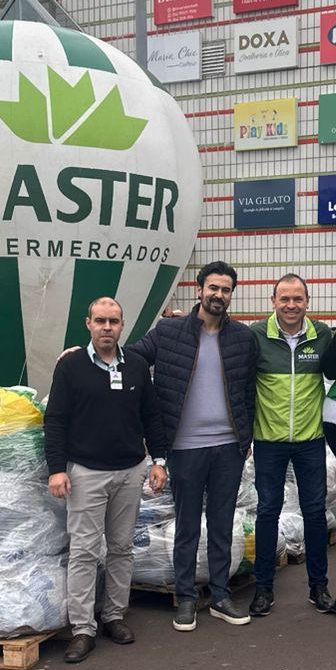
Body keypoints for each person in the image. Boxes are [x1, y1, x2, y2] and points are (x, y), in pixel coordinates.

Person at [130, 261, 258, 632]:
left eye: (226, 289)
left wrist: (245, 436)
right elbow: (132, 358)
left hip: (228, 447)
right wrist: (84, 354)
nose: (219, 295)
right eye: (213, 288)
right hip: (184, 447)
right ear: (199, 290)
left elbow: (247, 391)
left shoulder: (243, 338)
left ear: (232, 294)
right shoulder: (168, 332)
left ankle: (220, 595)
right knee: (186, 525)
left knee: (221, 524)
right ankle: (186, 597)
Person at [45, 297, 167, 664]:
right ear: (88, 324)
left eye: (113, 321)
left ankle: (114, 615)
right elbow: (56, 420)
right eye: (100, 321)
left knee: (121, 548)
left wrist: (158, 460)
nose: (107, 328)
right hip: (86, 473)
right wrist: (56, 468)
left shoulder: (137, 367)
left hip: (130, 471)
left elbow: (152, 416)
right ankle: (83, 629)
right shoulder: (71, 367)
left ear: (122, 325)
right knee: (83, 551)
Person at [248, 274, 335, 617]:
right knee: (267, 511)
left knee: (314, 512)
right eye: (284, 299)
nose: (291, 305)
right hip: (268, 441)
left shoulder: (322, 335)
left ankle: (319, 586)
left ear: (307, 302)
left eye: (297, 299)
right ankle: (264, 589)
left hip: (310, 440)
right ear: (273, 302)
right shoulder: (256, 335)